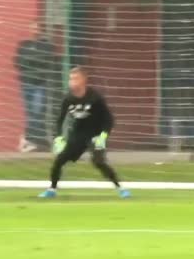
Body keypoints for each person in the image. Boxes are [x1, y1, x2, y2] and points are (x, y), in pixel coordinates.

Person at [38, 66, 130, 199]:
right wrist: (59, 138)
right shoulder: (68, 99)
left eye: (76, 78)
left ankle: (120, 188)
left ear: (84, 80)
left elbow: (109, 119)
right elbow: (60, 120)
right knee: (60, 160)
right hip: (78, 134)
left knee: (98, 162)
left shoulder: (95, 97)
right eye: (71, 78)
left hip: (95, 134)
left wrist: (103, 136)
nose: (72, 81)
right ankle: (51, 189)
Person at [15, 22, 56, 152]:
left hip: (40, 83)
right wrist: (33, 60)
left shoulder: (47, 46)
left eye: (37, 28)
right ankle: (32, 141)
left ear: (41, 30)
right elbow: (18, 62)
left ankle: (27, 139)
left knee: (37, 111)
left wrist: (30, 60)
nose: (35, 30)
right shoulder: (24, 45)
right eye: (33, 28)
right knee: (30, 113)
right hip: (26, 83)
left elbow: (46, 60)